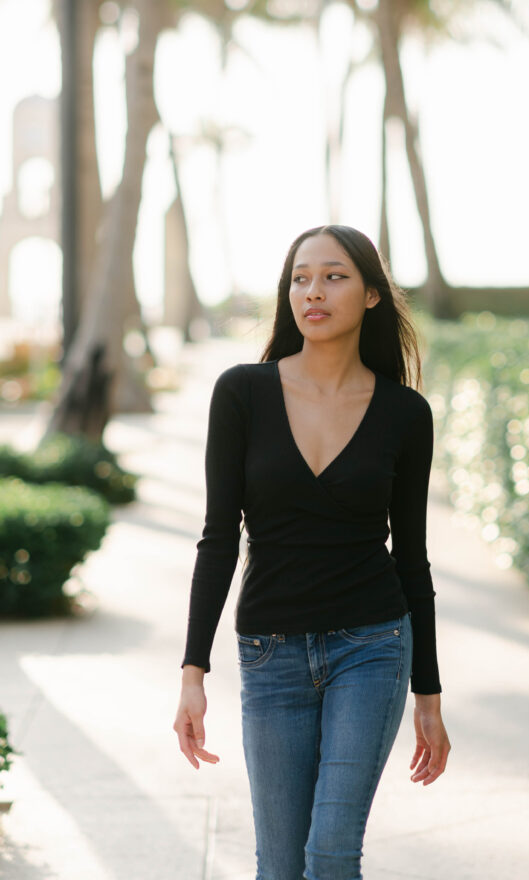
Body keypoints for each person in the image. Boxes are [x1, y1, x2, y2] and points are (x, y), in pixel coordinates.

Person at [174, 224, 450, 880]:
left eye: (333, 276)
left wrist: (429, 697)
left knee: (330, 853)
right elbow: (218, 537)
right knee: (279, 864)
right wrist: (193, 672)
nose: (312, 292)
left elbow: (412, 557)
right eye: (300, 277)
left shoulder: (405, 414)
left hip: (373, 644)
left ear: (373, 296)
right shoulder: (242, 392)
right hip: (271, 653)